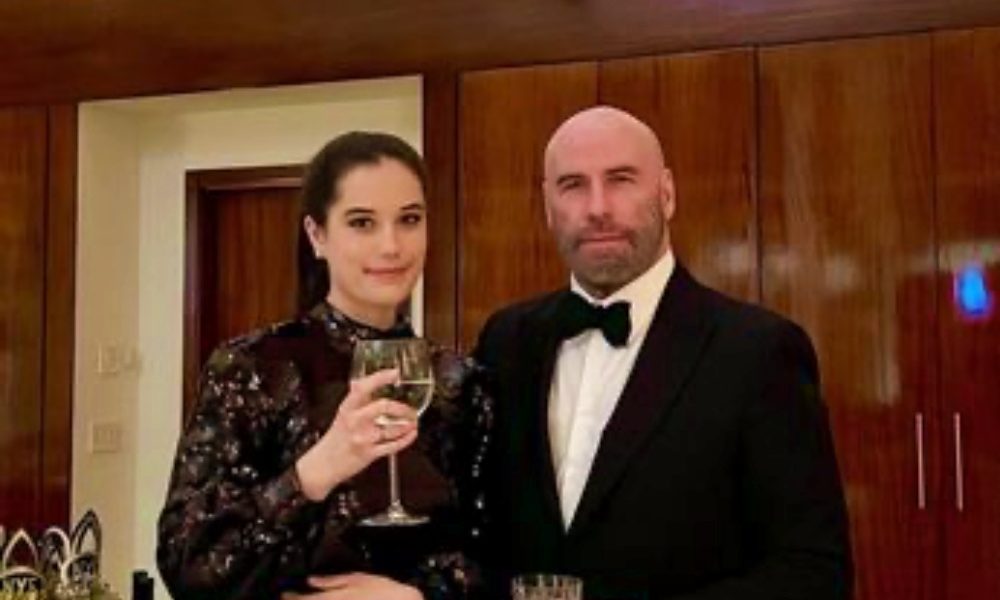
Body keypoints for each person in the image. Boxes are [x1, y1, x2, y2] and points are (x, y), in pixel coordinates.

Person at [474, 106, 853, 600]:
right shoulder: (505, 339)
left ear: (667, 194)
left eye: (621, 180)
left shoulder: (759, 351)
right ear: (548, 207)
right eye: (573, 185)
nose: (597, 207)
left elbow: (814, 572)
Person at [157, 132, 491, 600]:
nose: (391, 245)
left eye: (409, 219)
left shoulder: (460, 380)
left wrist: (417, 597)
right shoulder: (252, 367)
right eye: (362, 223)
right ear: (317, 236)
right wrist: (315, 470)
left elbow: (499, 557)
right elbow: (187, 566)